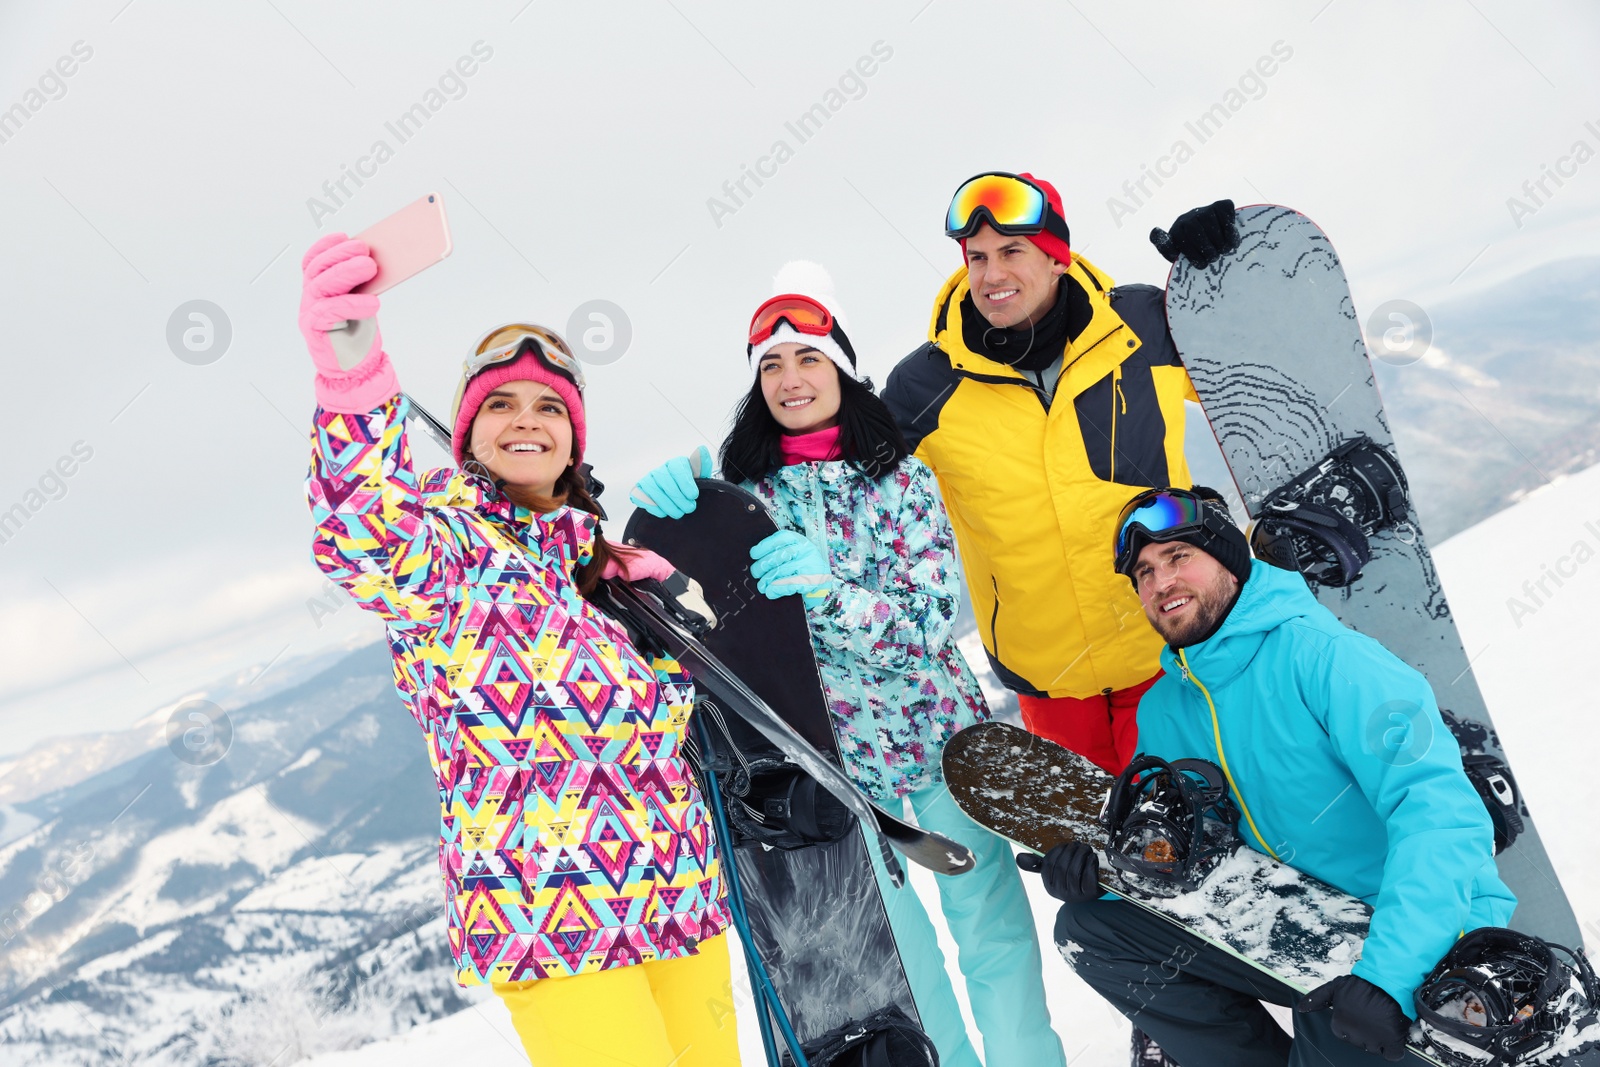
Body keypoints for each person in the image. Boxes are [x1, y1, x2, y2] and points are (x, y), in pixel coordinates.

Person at [299, 233, 735, 1067]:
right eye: (501, 404)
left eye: (547, 406)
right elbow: (359, 532)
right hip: (556, 921)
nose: (526, 419)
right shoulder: (449, 554)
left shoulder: (600, 571)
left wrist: (672, 625)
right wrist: (353, 377)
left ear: (574, 438)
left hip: (678, 897)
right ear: (468, 433)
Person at [630, 264, 1067, 1067]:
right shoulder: (746, 498)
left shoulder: (903, 480)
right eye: (772, 365)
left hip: (942, 747)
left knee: (995, 943)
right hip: (838, 773)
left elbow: (930, 622)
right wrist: (669, 522)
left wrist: (829, 595)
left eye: (808, 359)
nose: (790, 379)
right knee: (907, 968)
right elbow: (708, 625)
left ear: (843, 370)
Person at [1024, 486, 1517, 1066]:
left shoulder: (1330, 658)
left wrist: (1389, 975)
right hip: (1290, 919)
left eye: (1179, 557)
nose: (1160, 583)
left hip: (1406, 932)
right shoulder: (1165, 709)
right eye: (1144, 573)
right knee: (1092, 928)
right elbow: (1187, 850)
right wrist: (1109, 875)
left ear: (1229, 562)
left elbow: (1441, 817)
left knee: (1333, 1026)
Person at [880, 170, 1240, 776]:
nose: (991, 275)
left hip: (1167, 654)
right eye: (977, 257)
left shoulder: (1142, 326)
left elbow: (1254, 373)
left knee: (1195, 841)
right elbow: (846, 474)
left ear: (1056, 258)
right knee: (1092, 861)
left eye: (1012, 251)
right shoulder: (926, 384)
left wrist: (1222, 276)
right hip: (1047, 680)